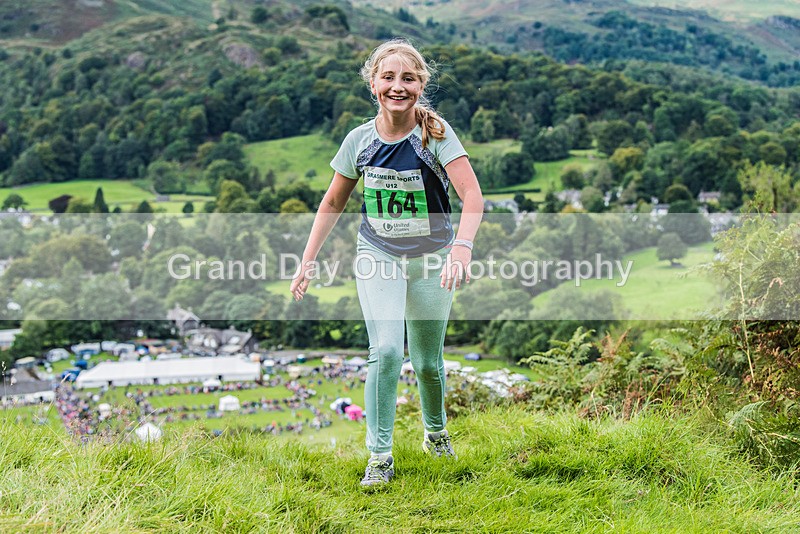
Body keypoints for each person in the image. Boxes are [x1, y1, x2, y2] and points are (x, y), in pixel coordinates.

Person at [290, 38, 483, 487]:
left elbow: (472, 195)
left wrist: (463, 246)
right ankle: (379, 456)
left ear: (421, 85)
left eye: (408, 78)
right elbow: (332, 202)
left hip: (433, 258)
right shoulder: (359, 141)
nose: (398, 86)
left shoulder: (436, 134)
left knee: (428, 361)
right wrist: (307, 260)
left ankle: (436, 435)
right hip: (378, 255)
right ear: (373, 84)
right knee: (388, 350)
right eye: (389, 77)